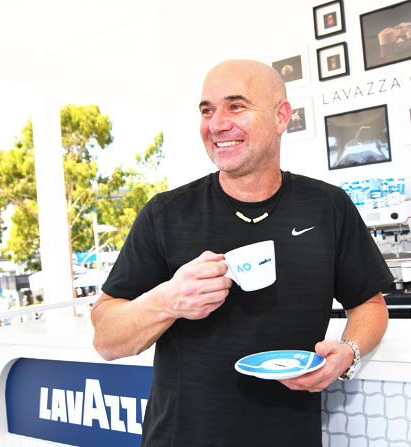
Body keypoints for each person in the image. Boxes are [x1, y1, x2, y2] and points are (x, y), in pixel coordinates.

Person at [91, 59, 391, 447]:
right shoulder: (166, 214)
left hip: (290, 437)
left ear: (281, 117)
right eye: (207, 110)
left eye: (236, 106)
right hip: (181, 438)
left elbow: (369, 304)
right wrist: (168, 300)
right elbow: (106, 340)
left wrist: (347, 353)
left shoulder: (327, 206)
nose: (216, 124)